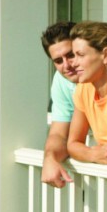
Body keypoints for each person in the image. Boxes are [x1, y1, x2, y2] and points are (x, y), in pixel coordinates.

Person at [67, 20, 107, 176]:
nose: (73, 63)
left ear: (106, 55)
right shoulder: (83, 89)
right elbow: (72, 145)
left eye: (80, 55)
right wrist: (93, 154)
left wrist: (86, 152)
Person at [39, 21, 81, 187]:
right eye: (58, 60)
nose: (67, 65)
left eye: (71, 55)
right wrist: (50, 158)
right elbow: (59, 134)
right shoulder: (61, 80)